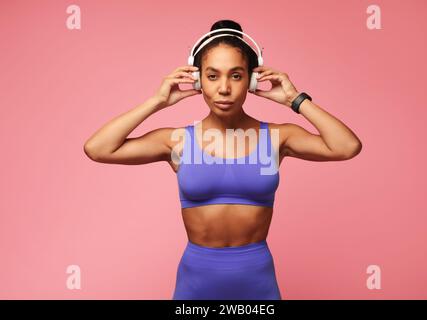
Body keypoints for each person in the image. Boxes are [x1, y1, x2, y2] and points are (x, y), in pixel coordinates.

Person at [83, 19, 362, 300]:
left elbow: (347, 146)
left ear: (253, 80)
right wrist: (157, 101)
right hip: (196, 284)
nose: (224, 88)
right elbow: (98, 148)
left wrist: (295, 99)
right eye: (213, 76)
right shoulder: (178, 141)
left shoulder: (279, 137)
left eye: (237, 76)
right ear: (197, 80)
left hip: (258, 284)